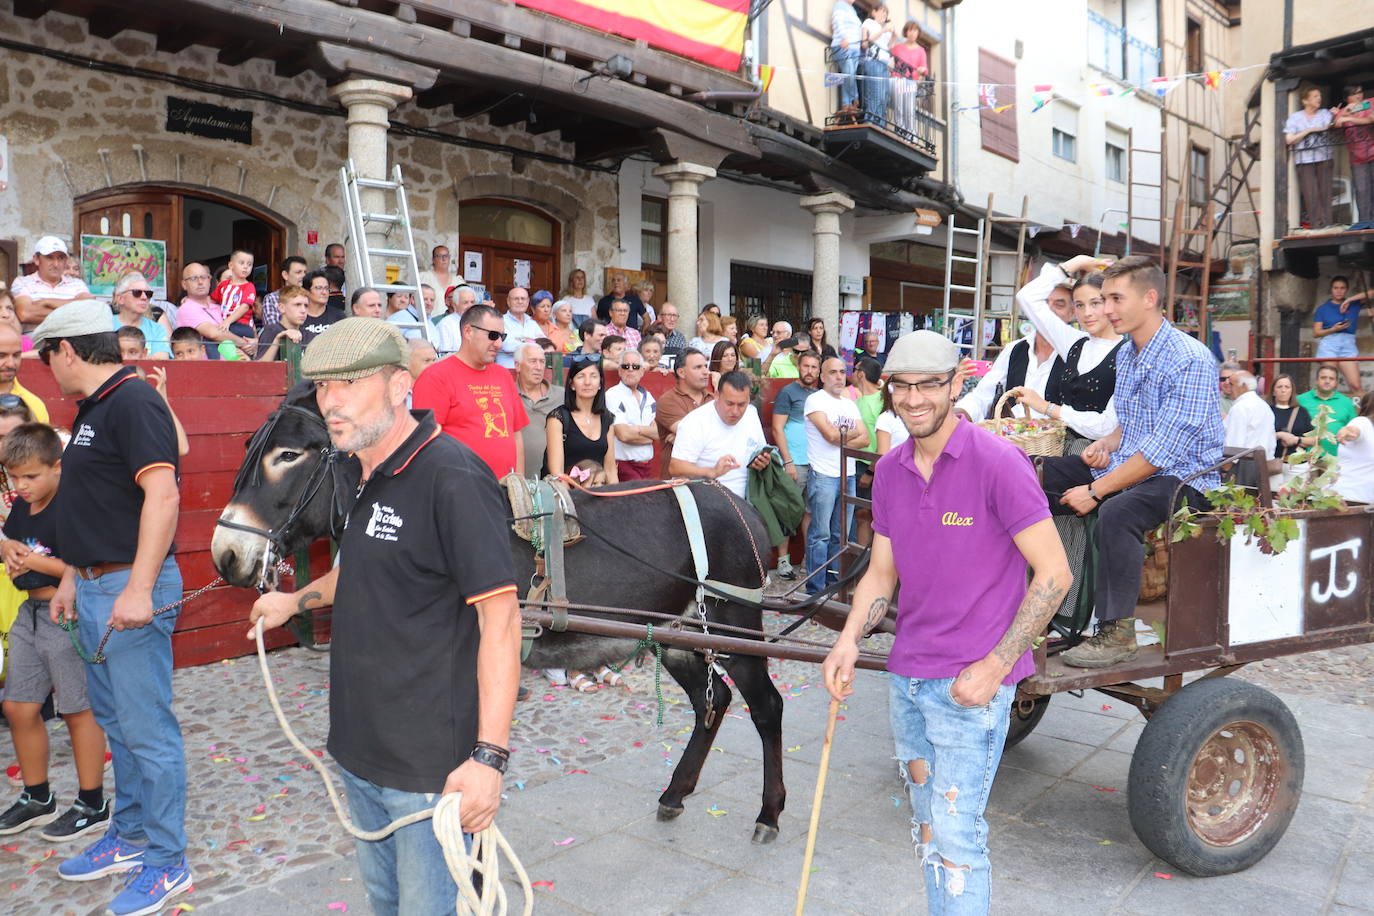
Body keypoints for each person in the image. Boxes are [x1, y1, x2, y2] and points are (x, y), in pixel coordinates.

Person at [248, 317, 521, 914]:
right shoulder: (358, 469)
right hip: (358, 746)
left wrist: (489, 760)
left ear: (401, 385)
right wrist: (295, 602)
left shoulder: (452, 476)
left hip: (428, 767)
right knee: (384, 901)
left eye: (349, 383)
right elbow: (363, 568)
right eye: (322, 387)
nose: (331, 401)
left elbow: (501, 622)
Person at [820, 330, 1070, 916]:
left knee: (957, 839)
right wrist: (848, 640)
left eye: (929, 385)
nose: (914, 399)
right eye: (901, 387)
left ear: (957, 385)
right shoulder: (889, 470)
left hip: (970, 687)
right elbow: (881, 575)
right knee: (928, 831)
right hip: (908, 677)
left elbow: (1054, 574)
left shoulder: (998, 462)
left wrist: (998, 665)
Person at [31, 300, 189, 913]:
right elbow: (97, 506)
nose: (49, 372)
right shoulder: (98, 407)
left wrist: (141, 589)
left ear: (66, 350)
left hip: (129, 588)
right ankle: (129, 835)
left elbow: (163, 495)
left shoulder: (132, 400)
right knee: (118, 726)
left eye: (48, 358)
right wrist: (72, 576)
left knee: (148, 733)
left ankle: (168, 861)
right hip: (96, 586)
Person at [1039, 256, 1223, 669]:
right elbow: (1133, 423)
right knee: (1034, 478)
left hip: (1185, 478)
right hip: (1129, 464)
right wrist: (1106, 441)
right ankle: (1032, 602)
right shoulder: (1129, 353)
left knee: (1118, 511)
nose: (1105, 310)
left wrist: (1095, 490)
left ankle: (1116, 632)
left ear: (1150, 298)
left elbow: (1161, 452)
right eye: (1104, 299)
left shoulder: (1189, 359)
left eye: (1115, 299)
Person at [0, 423, 112, 842]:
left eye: (31, 476)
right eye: (14, 477)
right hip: (28, 613)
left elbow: (82, 566)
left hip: (66, 614)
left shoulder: (74, 505)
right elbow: (10, 542)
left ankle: (92, 802)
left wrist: (30, 560)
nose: (22, 486)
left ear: (57, 468)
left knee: (77, 710)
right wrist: (8, 551)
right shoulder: (21, 506)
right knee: (18, 707)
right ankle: (37, 797)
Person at [1005, 259, 1126, 447]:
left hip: (1098, 454)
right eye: (1079, 305)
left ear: (1112, 304)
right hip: (1055, 445)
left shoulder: (1127, 354)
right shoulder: (1074, 342)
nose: (1087, 313)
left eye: (1095, 303)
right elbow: (1027, 297)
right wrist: (1075, 264)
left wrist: (1047, 408)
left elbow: (1107, 426)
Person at [413, 304, 527, 478]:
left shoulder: (503, 375)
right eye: (493, 335)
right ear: (468, 332)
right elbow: (425, 442)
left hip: (505, 489)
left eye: (502, 336)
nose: (499, 343)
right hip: (459, 489)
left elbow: (516, 434)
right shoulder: (435, 377)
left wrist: (519, 482)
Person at [955, 282, 1073, 421]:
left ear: (1071, 313)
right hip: (1010, 438)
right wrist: (958, 415)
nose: (1047, 311)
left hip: (1056, 440)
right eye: (1042, 304)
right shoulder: (1014, 349)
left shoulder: (1077, 355)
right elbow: (982, 396)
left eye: (1058, 305)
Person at [803, 357, 870, 594]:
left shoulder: (849, 404)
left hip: (848, 474)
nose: (839, 376)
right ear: (822, 376)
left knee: (840, 534)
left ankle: (832, 585)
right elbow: (831, 436)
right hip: (823, 474)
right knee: (820, 535)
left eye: (843, 372)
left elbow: (866, 439)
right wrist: (847, 435)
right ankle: (815, 589)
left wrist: (841, 434)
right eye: (833, 372)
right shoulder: (814, 400)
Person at [668, 370, 770, 498]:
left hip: (748, 501)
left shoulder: (751, 413)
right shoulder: (695, 421)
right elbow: (676, 467)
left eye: (742, 404)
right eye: (729, 403)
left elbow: (759, 451)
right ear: (716, 395)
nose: (735, 411)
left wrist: (761, 462)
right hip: (708, 502)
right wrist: (711, 471)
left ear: (748, 399)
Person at [545, 353, 617, 483]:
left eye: (593, 376)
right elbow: (557, 473)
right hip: (566, 496)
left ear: (600, 383)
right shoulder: (558, 418)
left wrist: (616, 500)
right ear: (572, 384)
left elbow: (610, 470)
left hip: (598, 494)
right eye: (581, 376)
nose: (587, 382)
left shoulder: (607, 419)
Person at [1284, 86, 1336, 231]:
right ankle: (1316, 224)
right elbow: (1289, 139)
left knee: (1325, 191)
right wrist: (1308, 130)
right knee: (1310, 192)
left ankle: (1327, 224)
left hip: (1324, 156)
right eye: (1315, 96)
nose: (1319, 98)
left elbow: (1326, 127)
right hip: (1303, 159)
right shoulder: (1295, 117)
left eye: (1319, 96)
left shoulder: (1324, 113)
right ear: (1305, 101)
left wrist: (1303, 134)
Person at [175, 269, 256, 360]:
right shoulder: (186, 308)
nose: (200, 282)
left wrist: (255, 342)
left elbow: (250, 326)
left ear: (210, 281)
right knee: (208, 340)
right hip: (210, 369)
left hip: (235, 364)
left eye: (204, 277)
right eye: (194, 278)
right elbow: (214, 334)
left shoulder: (220, 306)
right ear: (184, 284)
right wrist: (245, 344)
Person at [1312, 276, 1372, 397]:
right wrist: (1334, 329)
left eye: (1342, 288)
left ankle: (1364, 414)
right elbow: (1316, 333)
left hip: (1348, 345)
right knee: (1329, 385)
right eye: (1335, 288)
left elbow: (1371, 293)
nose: (1339, 291)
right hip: (1329, 344)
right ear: (1331, 289)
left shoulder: (1353, 304)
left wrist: (1349, 300)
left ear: (1346, 289)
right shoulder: (1323, 309)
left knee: (1356, 386)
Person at [11, 237, 90, 328]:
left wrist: (46, 302)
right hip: (37, 342)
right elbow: (25, 314)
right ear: (36, 259)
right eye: (49, 258)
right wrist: (74, 313)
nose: (56, 264)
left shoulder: (77, 284)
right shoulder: (22, 282)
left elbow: (88, 309)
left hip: (73, 342)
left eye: (60, 258)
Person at [655, 348, 714, 469]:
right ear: (681, 373)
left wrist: (681, 436)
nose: (706, 372)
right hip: (678, 482)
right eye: (698, 367)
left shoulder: (713, 400)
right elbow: (691, 433)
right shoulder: (668, 400)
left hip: (710, 480)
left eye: (705, 366)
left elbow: (722, 433)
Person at [605, 350, 658, 481]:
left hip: (647, 465)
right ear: (619, 371)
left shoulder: (648, 396)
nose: (630, 370)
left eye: (635, 367)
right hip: (624, 465)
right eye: (625, 366)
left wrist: (637, 429)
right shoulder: (613, 394)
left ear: (642, 371)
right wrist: (648, 435)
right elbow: (624, 435)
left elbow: (658, 434)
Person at [514, 342, 563, 477]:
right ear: (517, 365)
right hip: (517, 480)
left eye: (542, 362)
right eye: (532, 361)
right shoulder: (506, 394)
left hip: (555, 480)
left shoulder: (561, 396)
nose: (539, 367)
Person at [1223, 372, 1277, 485]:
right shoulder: (1264, 406)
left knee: (1234, 501)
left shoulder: (1240, 407)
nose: (1228, 388)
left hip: (1242, 465)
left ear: (1244, 386)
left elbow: (1234, 444)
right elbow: (1271, 442)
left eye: (1231, 384)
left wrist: (1225, 469)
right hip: (1262, 464)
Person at [1335, 84, 1374, 226]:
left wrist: (1347, 118)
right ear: (1347, 98)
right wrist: (1340, 114)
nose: (1358, 95)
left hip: (1373, 152)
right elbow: (1334, 125)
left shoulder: (1370, 103)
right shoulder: (1344, 111)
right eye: (1354, 93)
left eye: (1360, 92)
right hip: (1357, 158)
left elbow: (1371, 119)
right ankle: (1366, 223)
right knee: (1362, 191)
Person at [1298, 363, 1359, 456]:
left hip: (1337, 458)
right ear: (1316, 380)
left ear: (1336, 382)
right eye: (1323, 378)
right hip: (1306, 457)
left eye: (1331, 378)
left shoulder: (1346, 402)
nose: (1327, 381)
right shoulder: (1301, 400)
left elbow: (1354, 427)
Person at [111, 273, 173, 358]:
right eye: (137, 293)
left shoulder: (157, 329)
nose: (144, 297)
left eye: (148, 294)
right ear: (120, 298)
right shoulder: (105, 325)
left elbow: (161, 360)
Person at [256, 285, 314, 362]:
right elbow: (261, 368)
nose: (303, 310)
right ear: (282, 308)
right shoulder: (271, 332)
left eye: (306, 306)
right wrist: (277, 340)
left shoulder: (310, 336)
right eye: (297, 305)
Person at [891, 20, 930, 136]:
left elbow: (924, 68)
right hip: (898, 80)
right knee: (898, 108)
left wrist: (922, 70)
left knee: (909, 109)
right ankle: (900, 132)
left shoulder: (921, 50)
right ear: (906, 32)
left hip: (910, 82)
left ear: (918, 33)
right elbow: (890, 59)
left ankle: (911, 136)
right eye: (910, 30)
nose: (912, 33)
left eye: (915, 31)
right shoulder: (897, 47)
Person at [859, 2, 895, 124]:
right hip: (873, 61)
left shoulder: (884, 29)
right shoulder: (869, 23)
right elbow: (865, 43)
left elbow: (888, 47)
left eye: (886, 13)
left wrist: (893, 36)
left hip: (884, 63)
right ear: (874, 12)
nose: (884, 14)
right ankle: (870, 122)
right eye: (882, 11)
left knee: (883, 98)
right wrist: (883, 30)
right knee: (875, 95)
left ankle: (880, 125)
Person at [1335, 392, 1374, 503]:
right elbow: (1354, 429)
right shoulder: (1363, 422)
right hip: (1348, 498)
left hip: (1364, 502)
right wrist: (1347, 431)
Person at [1270, 374, 1316, 465]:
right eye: (1279, 387)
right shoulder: (1266, 411)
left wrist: (1296, 440)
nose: (1283, 390)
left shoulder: (1301, 412)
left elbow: (1313, 440)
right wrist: (1279, 435)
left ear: (1292, 391)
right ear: (1273, 391)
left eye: (1287, 387)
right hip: (1273, 462)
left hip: (1297, 465)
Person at [210, 249, 257, 336]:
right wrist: (192, 300)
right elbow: (211, 300)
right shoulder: (223, 285)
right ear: (231, 265)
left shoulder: (249, 286)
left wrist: (227, 322)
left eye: (249, 264)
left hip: (242, 326)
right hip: (226, 324)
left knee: (217, 334)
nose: (245, 267)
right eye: (242, 263)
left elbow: (244, 307)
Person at [831, 0, 863, 116]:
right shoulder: (840, 5)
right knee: (849, 73)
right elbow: (837, 22)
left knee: (849, 75)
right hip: (843, 45)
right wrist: (843, 38)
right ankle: (855, 97)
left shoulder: (853, 10)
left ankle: (847, 104)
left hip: (855, 48)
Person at [497, 287, 541, 369]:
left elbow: (545, 344)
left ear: (528, 302)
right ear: (508, 302)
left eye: (523, 299)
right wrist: (532, 341)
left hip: (530, 372)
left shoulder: (532, 323)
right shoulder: (500, 321)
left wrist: (520, 340)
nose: (520, 301)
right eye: (516, 299)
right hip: (508, 370)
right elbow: (508, 346)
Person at [260, 256, 308, 327]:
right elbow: (273, 330)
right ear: (285, 275)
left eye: (305, 272)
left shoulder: (310, 297)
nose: (303, 276)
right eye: (298, 272)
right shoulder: (272, 299)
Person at [433, 285, 480, 354]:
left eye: (472, 302)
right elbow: (444, 355)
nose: (470, 306)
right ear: (455, 305)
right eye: (465, 302)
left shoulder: (480, 322)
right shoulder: (445, 324)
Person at [300, 270, 347, 339]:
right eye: (319, 288)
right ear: (306, 291)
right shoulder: (298, 316)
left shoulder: (338, 316)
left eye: (326, 288)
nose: (324, 292)